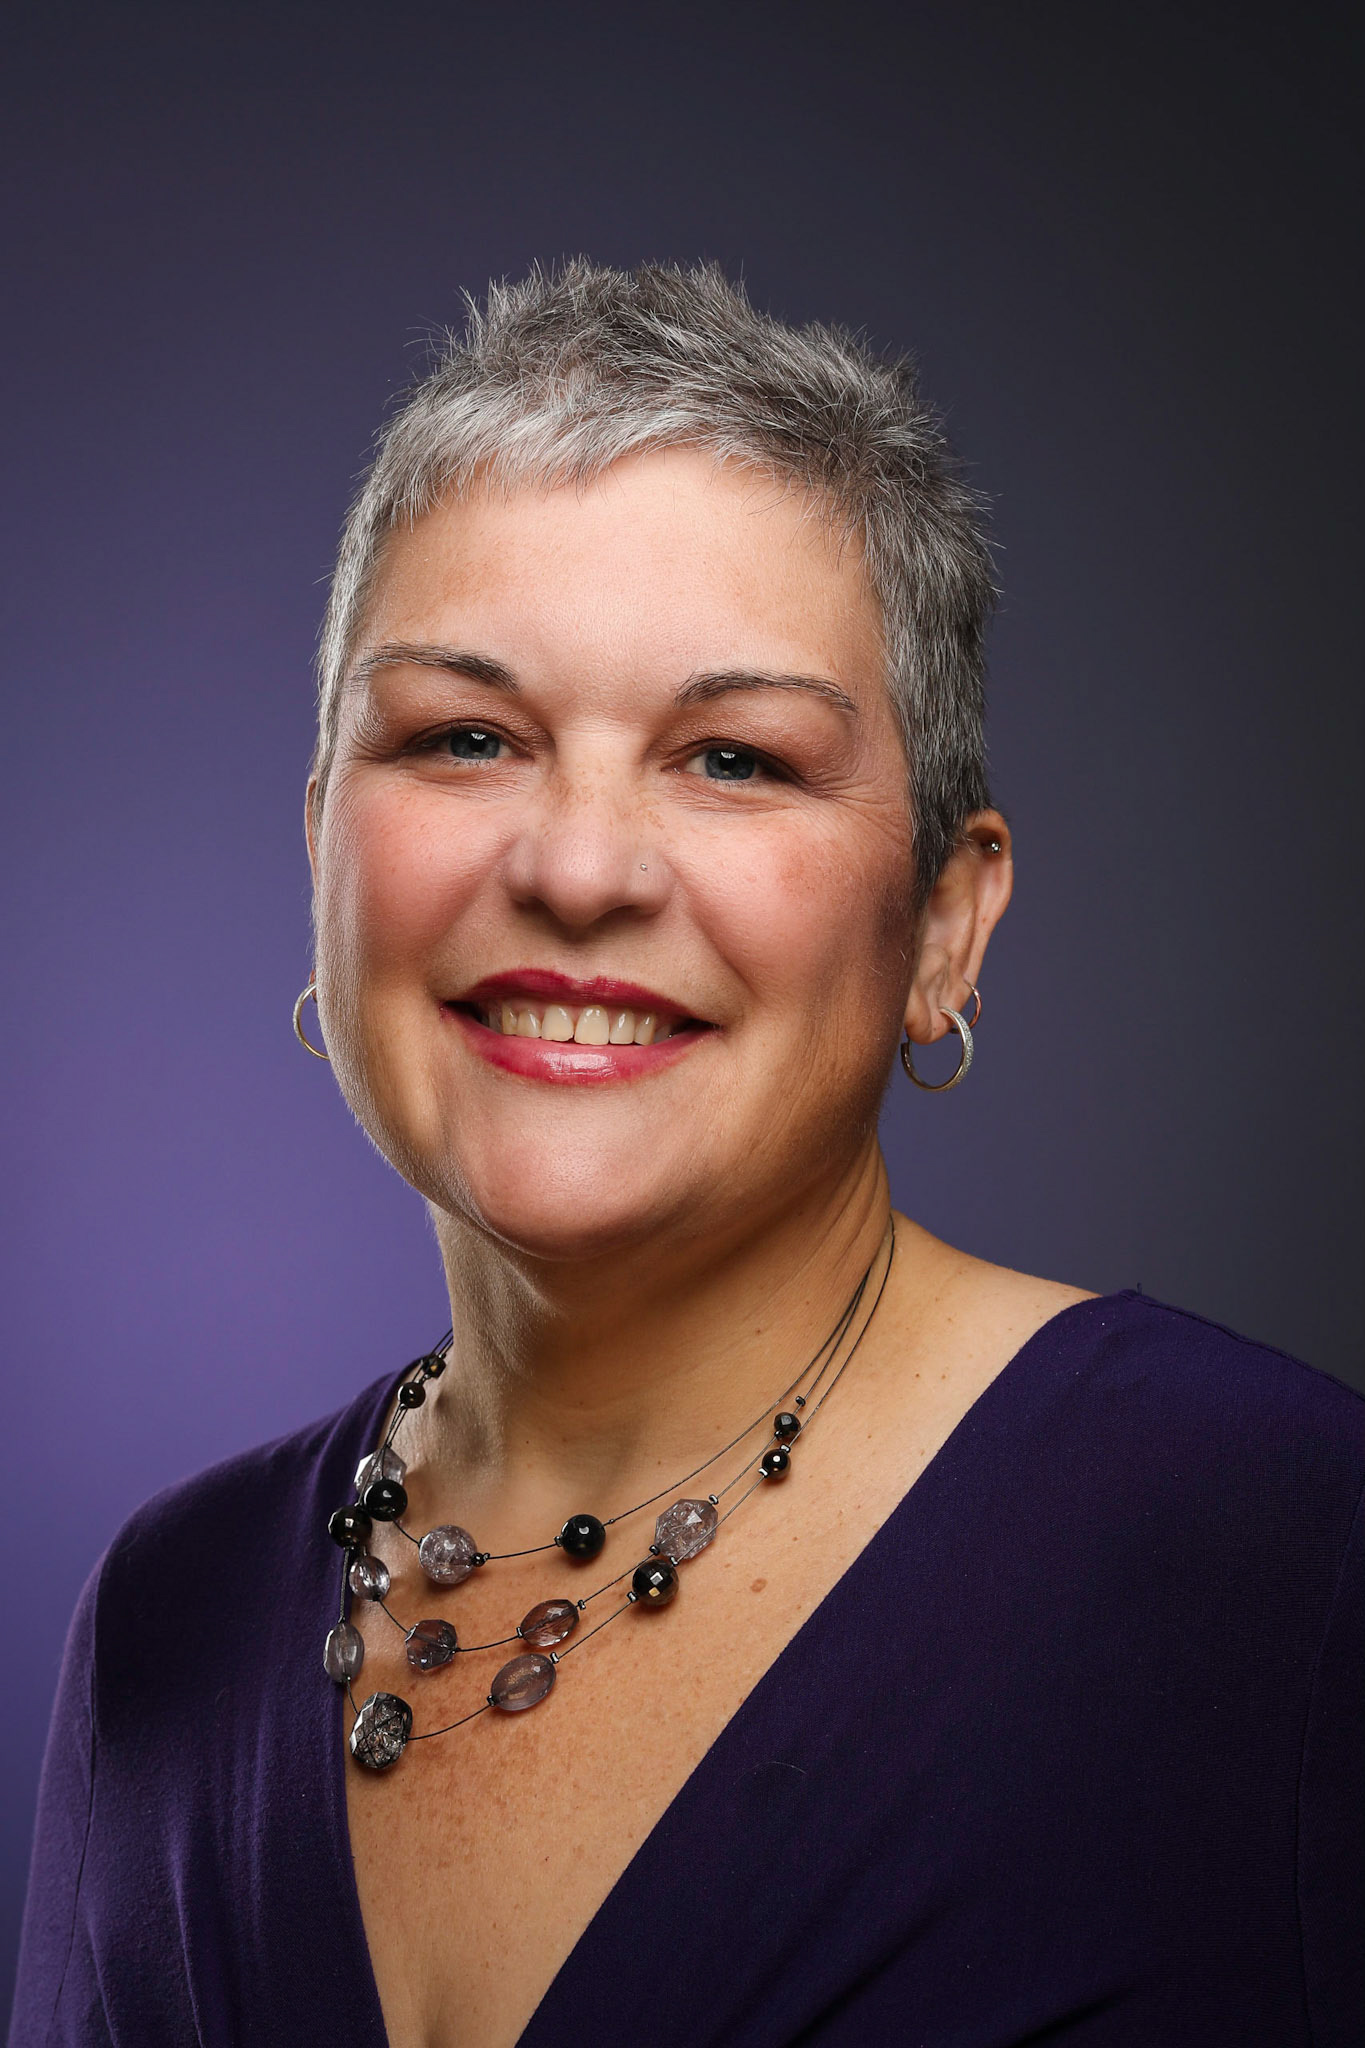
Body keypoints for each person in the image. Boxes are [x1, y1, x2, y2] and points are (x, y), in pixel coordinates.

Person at [12, 262, 1362, 2048]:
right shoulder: (160, 1631)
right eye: (465, 738)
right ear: (324, 848)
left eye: (732, 758)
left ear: (943, 924)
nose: (579, 870)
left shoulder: (1281, 1550)